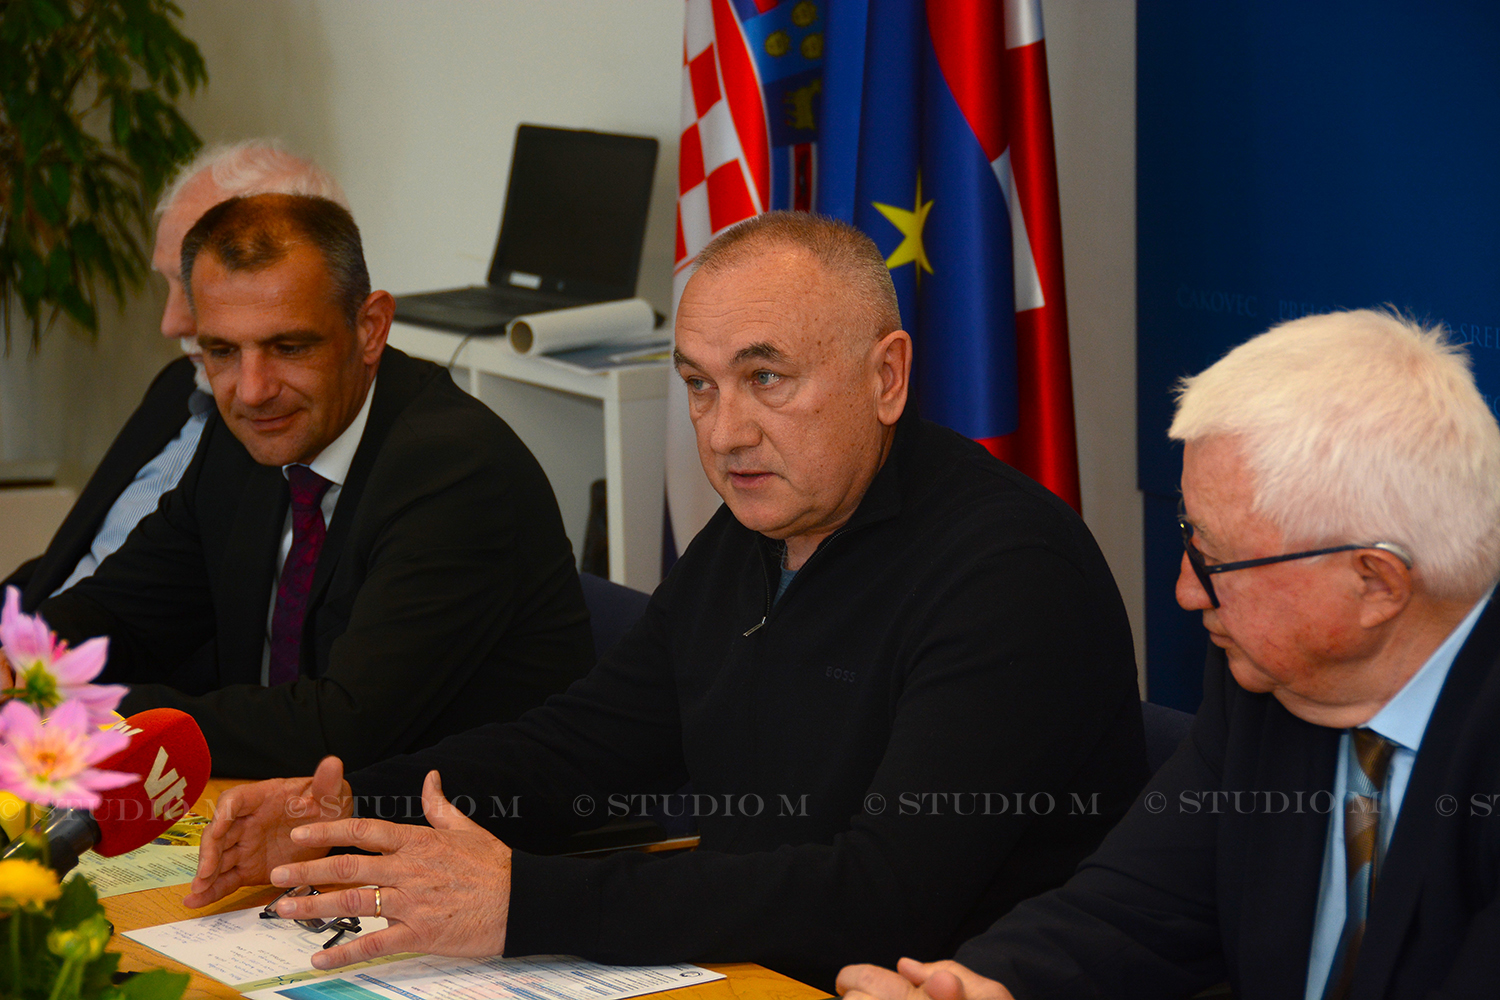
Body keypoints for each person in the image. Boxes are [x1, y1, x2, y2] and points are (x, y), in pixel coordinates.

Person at [183, 212, 1145, 990]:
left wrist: (526, 904)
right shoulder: (754, 531)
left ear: (885, 377)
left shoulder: (1010, 573)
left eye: (765, 378)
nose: (724, 433)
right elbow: (579, 750)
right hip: (746, 968)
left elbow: (882, 895)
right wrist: (346, 813)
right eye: (699, 385)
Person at [837, 309, 1500, 1000]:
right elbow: (1131, 913)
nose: (1186, 590)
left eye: (1217, 559)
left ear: (1375, 584)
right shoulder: (1270, 677)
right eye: (1189, 534)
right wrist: (974, 987)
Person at [9, 193, 593, 778]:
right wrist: (24, 664)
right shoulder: (245, 438)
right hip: (286, 805)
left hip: (459, 821)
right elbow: (127, 610)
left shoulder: (455, 473)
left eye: (288, 347)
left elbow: (342, 729)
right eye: (222, 351)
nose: (252, 390)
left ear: (370, 329)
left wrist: (88, 713)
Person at [2, 141, 345, 608]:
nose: (169, 323)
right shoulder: (176, 386)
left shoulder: (292, 440)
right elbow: (69, 560)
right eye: (168, 281)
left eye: (193, 287)